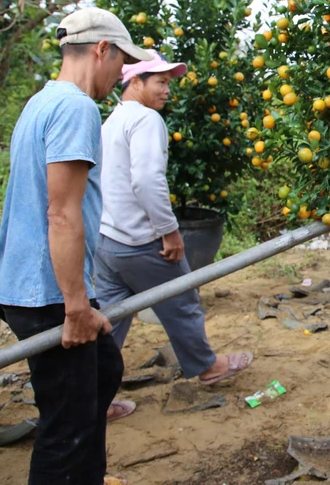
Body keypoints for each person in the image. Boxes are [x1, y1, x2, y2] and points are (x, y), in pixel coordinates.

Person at [0, 8, 154, 484]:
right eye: (120, 61)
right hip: (47, 293)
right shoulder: (76, 108)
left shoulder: (43, 100)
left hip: (28, 284)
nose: (121, 74)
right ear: (100, 49)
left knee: (104, 368)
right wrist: (76, 306)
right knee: (67, 432)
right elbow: (61, 213)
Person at [94, 50, 252, 411]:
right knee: (182, 303)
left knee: (108, 323)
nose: (168, 91)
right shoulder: (146, 121)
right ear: (135, 82)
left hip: (108, 242)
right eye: (160, 82)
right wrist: (169, 231)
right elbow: (147, 181)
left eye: (168, 83)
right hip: (141, 242)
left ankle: (91, 400)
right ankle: (209, 367)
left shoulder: (112, 121)